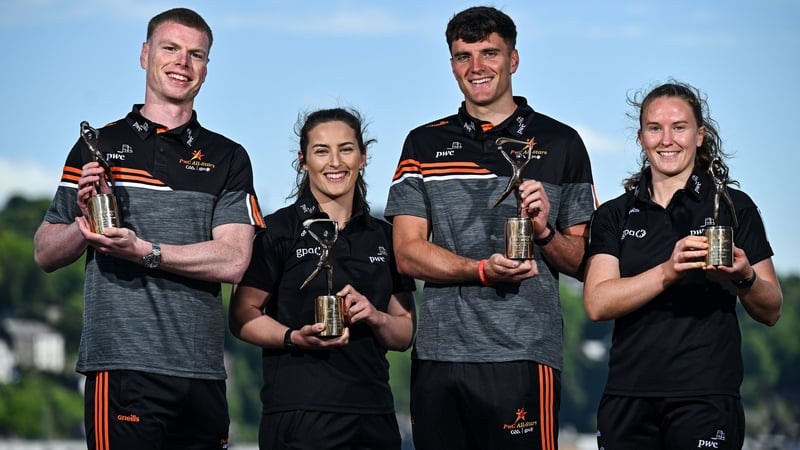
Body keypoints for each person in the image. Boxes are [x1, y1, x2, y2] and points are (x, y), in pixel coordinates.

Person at [33, 8, 263, 450]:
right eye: (170, 48)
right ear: (144, 55)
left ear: (207, 69)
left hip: (202, 374)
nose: (183, 63)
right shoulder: (94, 147)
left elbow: (234, 259)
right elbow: (45, 251)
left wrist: (144, 250)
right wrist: (84, 227)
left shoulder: (229, 156)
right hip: (121, 367)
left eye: (196, 54)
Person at [384, 6, 596, 450]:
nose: (476, 68)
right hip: (438, 357)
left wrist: (543, 233)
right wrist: (481, 270)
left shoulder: (562, 143)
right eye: (464, 56)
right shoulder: (422, 143)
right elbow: (406, 252)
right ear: (451, 65)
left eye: (489, 53)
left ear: (513, 60)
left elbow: (583, 263)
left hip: (522, 355)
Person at [583, 80, 783, 449]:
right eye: (655, 128)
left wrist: (745, 277)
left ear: (700, 135)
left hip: (706, 397)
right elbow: (597, 302)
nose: (667, 140)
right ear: (641, 137)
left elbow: (771, 309)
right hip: (627, 398)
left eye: (679, 127)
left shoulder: (735, 207)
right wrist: (668, 271)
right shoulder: (614, 214)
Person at [229, 107, 416, 450]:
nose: (335, 162)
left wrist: (375, 317)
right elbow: (242, 317)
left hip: (373, 415)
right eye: (321, 151)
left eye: (346, 149)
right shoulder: (278, 231)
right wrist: (293, 337)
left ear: (363, 157)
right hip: (299, 413)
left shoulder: (385, 236)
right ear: (303, 160)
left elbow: (404, 333)